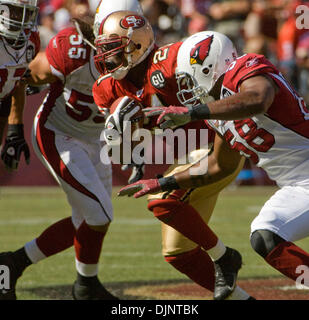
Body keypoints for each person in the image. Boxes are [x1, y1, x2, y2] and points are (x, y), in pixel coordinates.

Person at [119, 30, 309, 291]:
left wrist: (192, 112)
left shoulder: (247, 67)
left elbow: (258, 99)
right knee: (265, 236)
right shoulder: (218, 112)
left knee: (267, 234)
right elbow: (220, 165)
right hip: (297, 185)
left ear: (207, 68)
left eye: (187, 79)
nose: (186, 88)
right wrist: (163, 183)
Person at [93, 11, 254, 300]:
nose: (106, 58)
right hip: (192, 158)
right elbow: (121, 151)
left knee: (161, 200)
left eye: (111, 49)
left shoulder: (172, 60)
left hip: (219, 147)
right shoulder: (106, 87)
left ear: (136, 45)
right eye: (104, 50)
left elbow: (216, 57)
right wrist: (120, 136)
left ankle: (224, 257)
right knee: (179, 253)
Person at [0, 0, 143, 301]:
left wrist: (134, 147)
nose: (131, 38)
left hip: (97, 138)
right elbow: (23, 78)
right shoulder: (74, 48)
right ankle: (80, 286)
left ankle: (67, 278)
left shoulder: (142, 52)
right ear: (104, 26)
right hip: (58, 134)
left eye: (135, 25)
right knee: (99, 215)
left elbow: (140, 108)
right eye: (121, 26)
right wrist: (14, 128)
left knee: (89, 217)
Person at [0, 0, 40, 170]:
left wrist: (15, 128)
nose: (19, 17)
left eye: (24, 12)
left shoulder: (31, 40)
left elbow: (19, 80)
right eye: (14, 11)